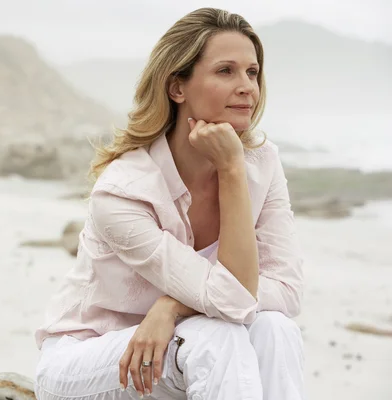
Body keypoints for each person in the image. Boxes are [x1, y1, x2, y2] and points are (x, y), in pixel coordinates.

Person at [34, 7, 305, 400]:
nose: (247, 86)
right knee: (217, 333)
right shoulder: (123, 191)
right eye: (225, 71)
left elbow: (288, 290)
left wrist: (172, 307)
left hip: (176, 347)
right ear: (177, 87)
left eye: (252, 72)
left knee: (276, 329)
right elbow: (234, 300)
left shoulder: (262, 163)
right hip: (90, 363)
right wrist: (230, 169)